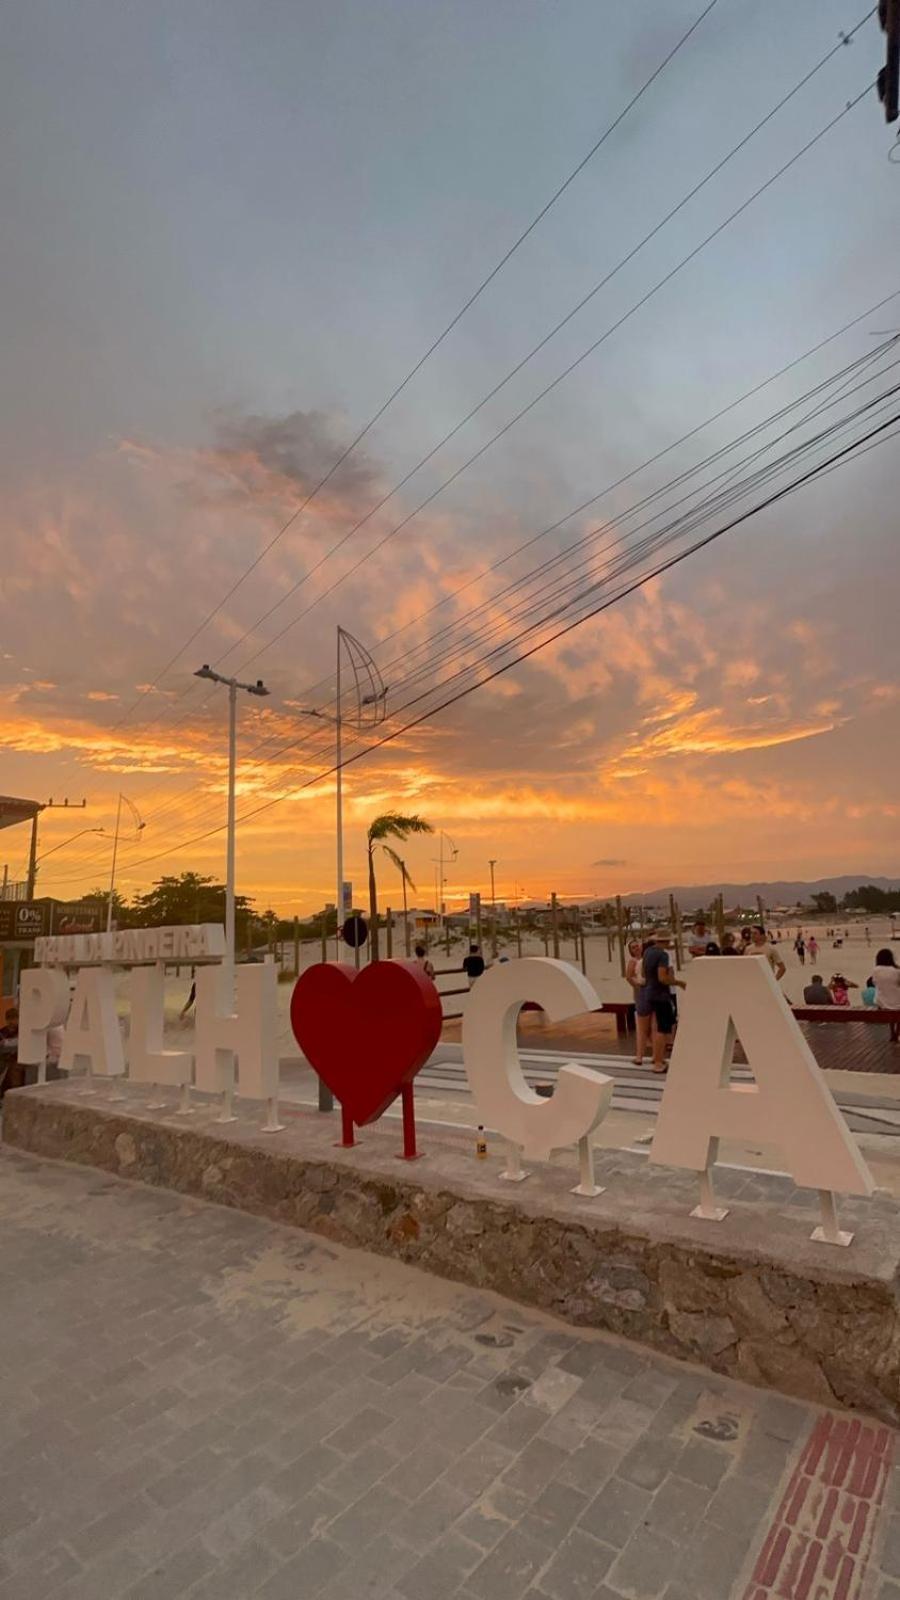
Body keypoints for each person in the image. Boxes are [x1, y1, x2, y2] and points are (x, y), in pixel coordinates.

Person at [640, 933, 684, 1074]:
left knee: (657, 1026)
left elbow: (643, 972)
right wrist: (679, 983)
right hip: (661, 994)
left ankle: (658, 1058)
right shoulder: (663, 955)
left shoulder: (647, 952)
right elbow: (662, 978)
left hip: (649, 992)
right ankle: (658, 1062)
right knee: (662, 1029)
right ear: (666, 941)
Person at [625, 939, 651, 1066]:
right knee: (642, 1025)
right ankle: (639, 1055)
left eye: (637, 946)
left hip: (650, 992)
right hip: (641, 992)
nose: (636, 948)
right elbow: (629, 977)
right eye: (633, 947)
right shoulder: (633, 961)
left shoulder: (647, 958)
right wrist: (638, 987)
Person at [871, 948, 900, 1040]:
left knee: (891, 1007)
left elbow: (874, 983)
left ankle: (892, 1032)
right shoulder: (896, 971)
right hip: (897, 1002)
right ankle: (897, 1032)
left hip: (881, 1002)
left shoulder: (876, 970)